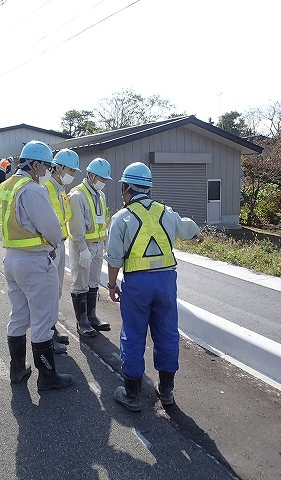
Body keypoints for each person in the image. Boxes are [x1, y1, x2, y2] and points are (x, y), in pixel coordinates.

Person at [106, 162, 204, 412]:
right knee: (167, 332)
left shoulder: (121, 218)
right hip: (166, 282)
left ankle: (132, 394)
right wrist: (198, 234)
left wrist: (111, 285)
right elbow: (188, 227)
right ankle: (167, 391)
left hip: (137, 284)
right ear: (148, 189)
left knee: (134, 334)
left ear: (126, 188)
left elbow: (114, 258)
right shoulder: (166, 212)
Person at [0, 140, 74, 391]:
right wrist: (54, 245)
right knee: (43, 319)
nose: (46, 172)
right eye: (45, 167)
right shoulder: (31, 190)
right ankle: (48, 378)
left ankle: (17, 370)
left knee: (18, 315)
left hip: (11, 258)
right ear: (36, 164)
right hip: (33, 261)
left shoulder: (6, 186)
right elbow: (51, 227)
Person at [67, 158, 112, 338]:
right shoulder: (77, 195)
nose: (104, 182)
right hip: (82, 247)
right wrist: (82, 247)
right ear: (91, 175)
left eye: (106, 179)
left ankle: (92, 316)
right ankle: (82, 321)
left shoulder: (100, 195)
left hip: (98, 245)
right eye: (102, 178)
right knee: (80, 283)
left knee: (93, 282)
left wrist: (105, 241)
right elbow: (76, 226)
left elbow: (101, 219)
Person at [44, 148, 80, 351]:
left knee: (56, 290)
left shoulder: (60, 189)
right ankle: (47, 335)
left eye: (74, 171)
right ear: (58, 167)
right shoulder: (46, 187)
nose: (72, 175)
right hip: (49, 247)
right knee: (49, 291)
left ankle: (52, 328)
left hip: (60, 244)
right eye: (70, 170)